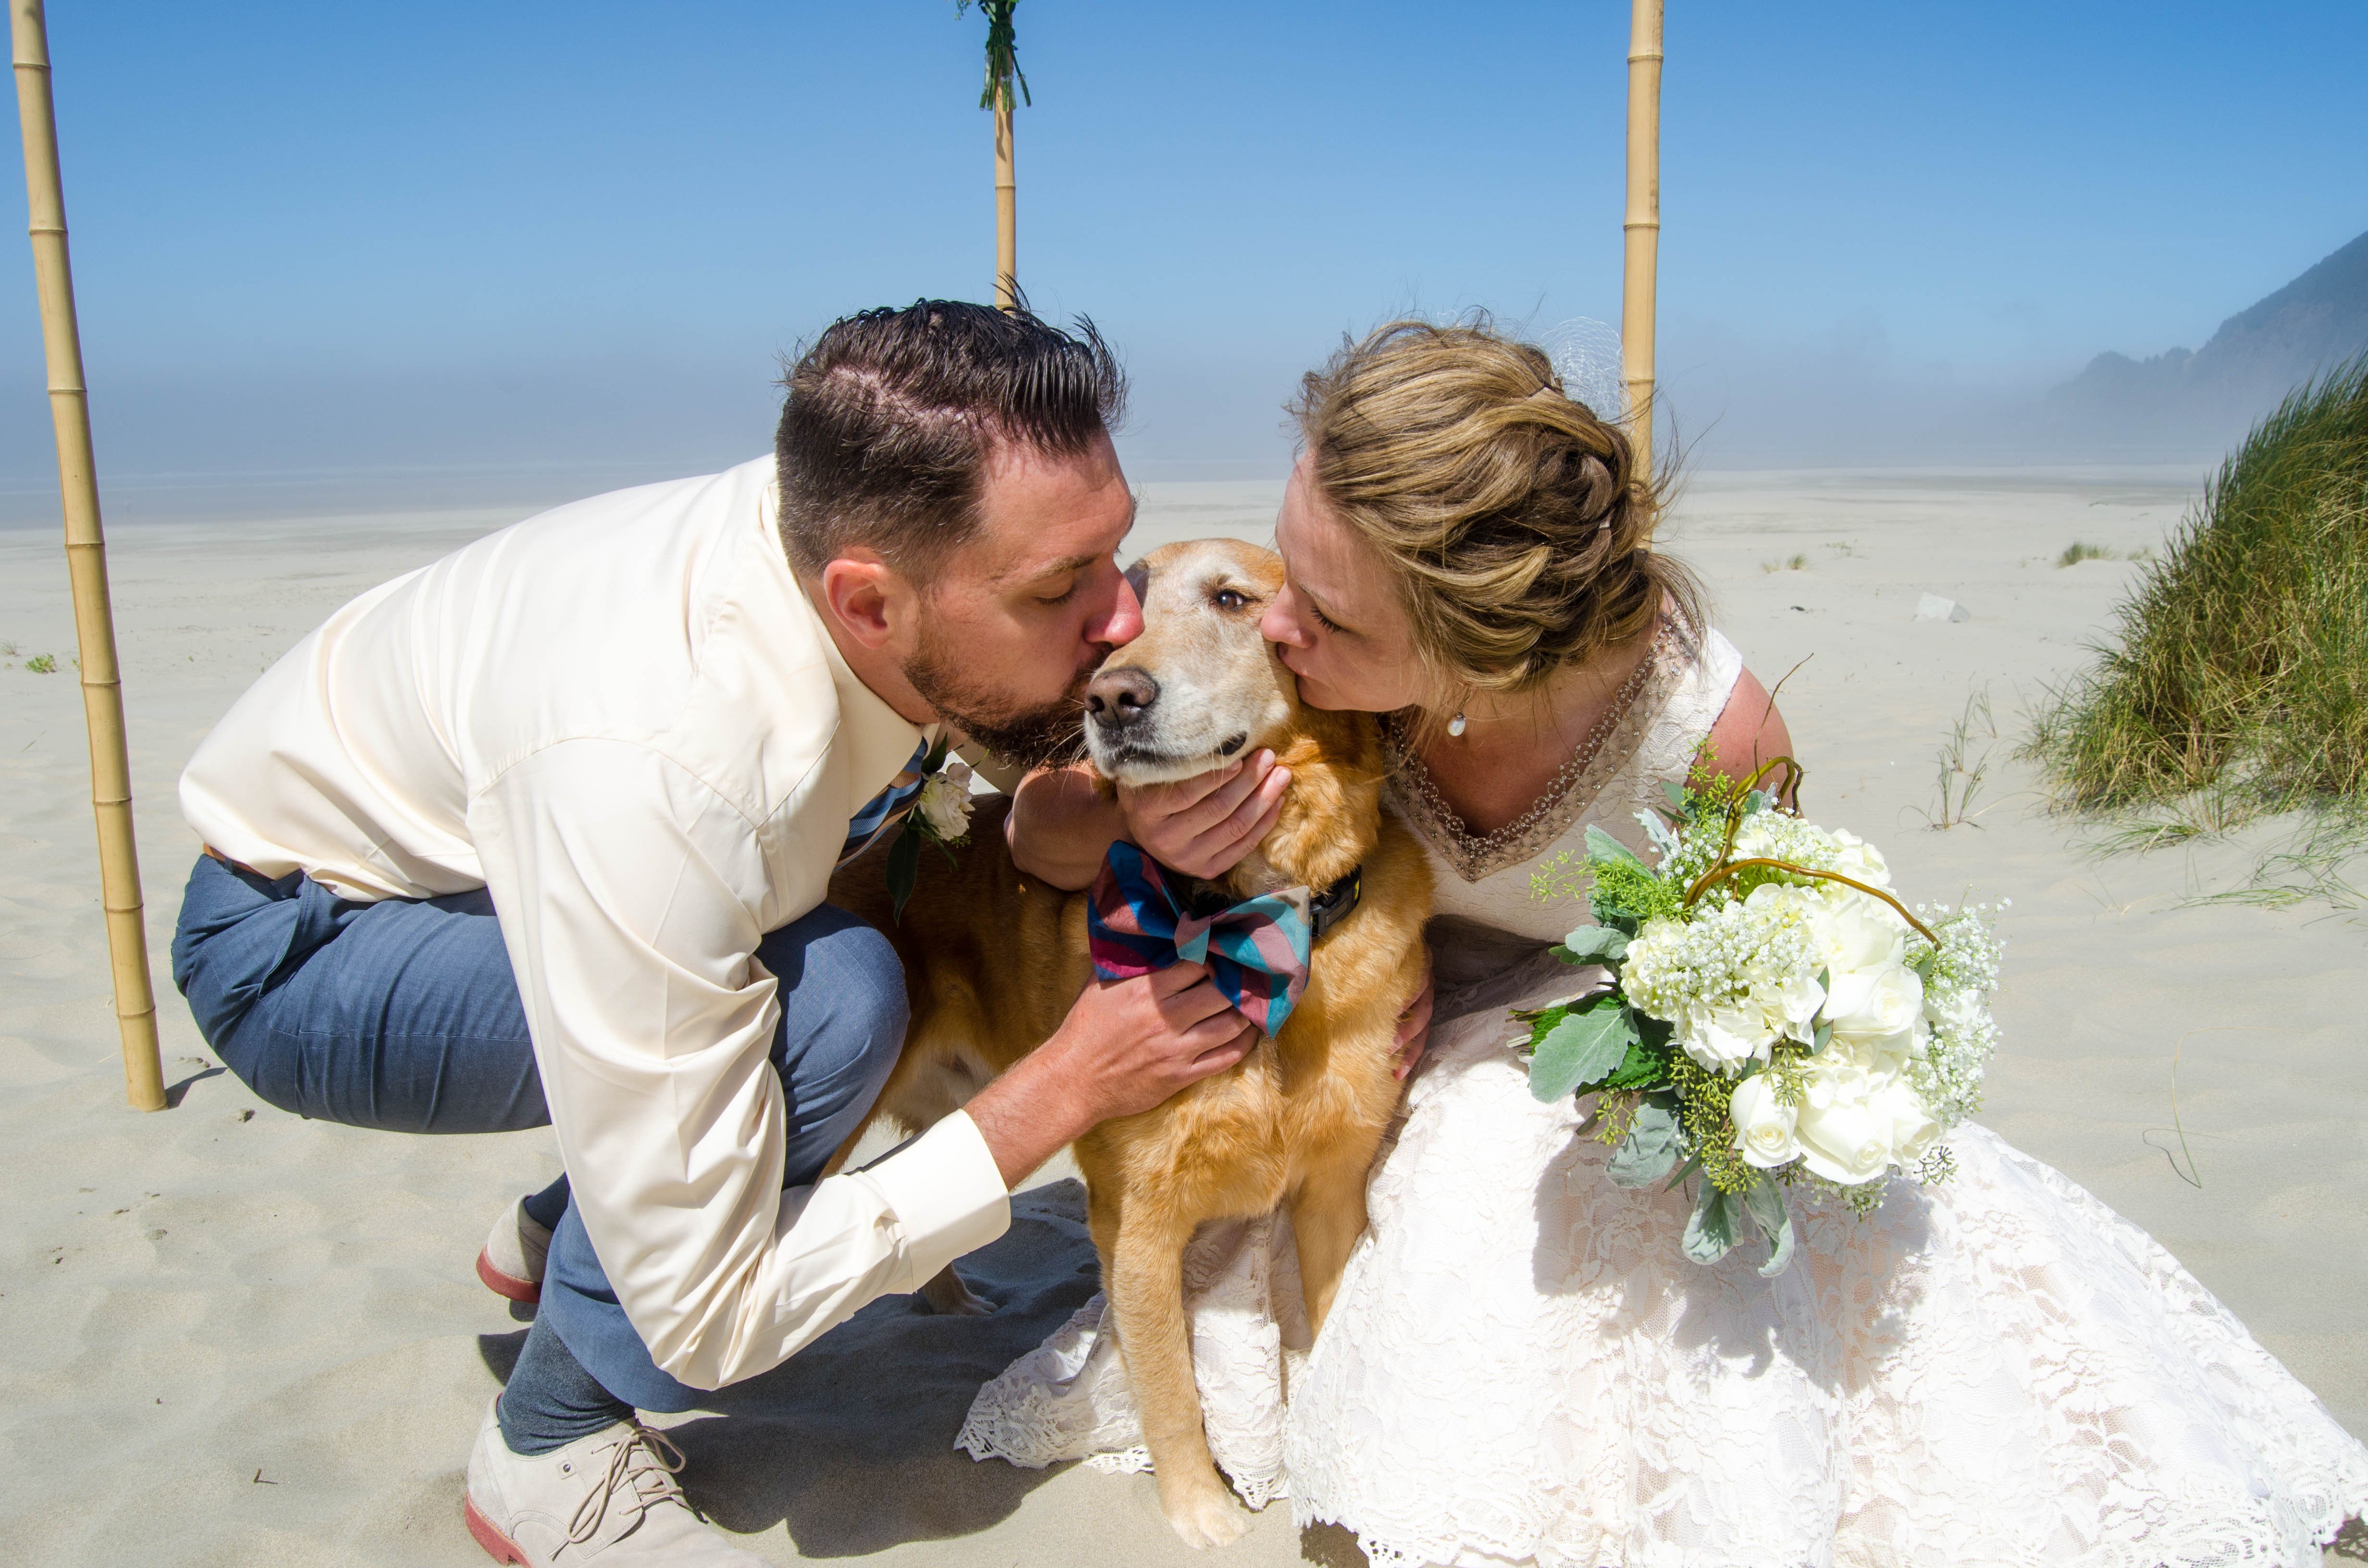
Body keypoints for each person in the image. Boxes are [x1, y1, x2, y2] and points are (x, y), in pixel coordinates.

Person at [974, 319, 2368, 1565]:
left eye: (1323, 614)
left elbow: (1776, 941)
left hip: (1592, 1027)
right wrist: (1138, 838)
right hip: (1399, 1030)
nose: (1278, 625)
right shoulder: (1333, 700)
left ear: (1460, 650)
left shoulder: (1711, 735)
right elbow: (1044, 831)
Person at [169, 302, 1263, 1568]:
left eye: (1112, 555)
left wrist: (1089, 831)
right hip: (313, 948)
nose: (1121, 622)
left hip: (505, 864)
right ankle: (549, 1443)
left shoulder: (872, 530)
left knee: (803, 975)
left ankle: (557, 1226)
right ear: (867, 603)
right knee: (837, 1004)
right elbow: (709, 1321)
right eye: (1061, 588)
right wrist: (1062, 1088)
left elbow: (974, 796)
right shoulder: (661, 768)